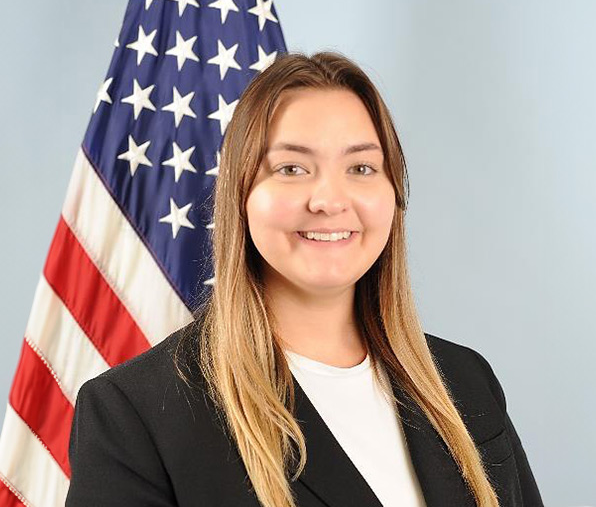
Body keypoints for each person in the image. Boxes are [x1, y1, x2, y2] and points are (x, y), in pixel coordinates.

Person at [65, 51, 544, 507]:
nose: (329, 199)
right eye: (291, 168)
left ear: (394, 193)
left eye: (361, 167)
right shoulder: (136, 414)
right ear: (242, 195)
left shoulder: (465, 381)